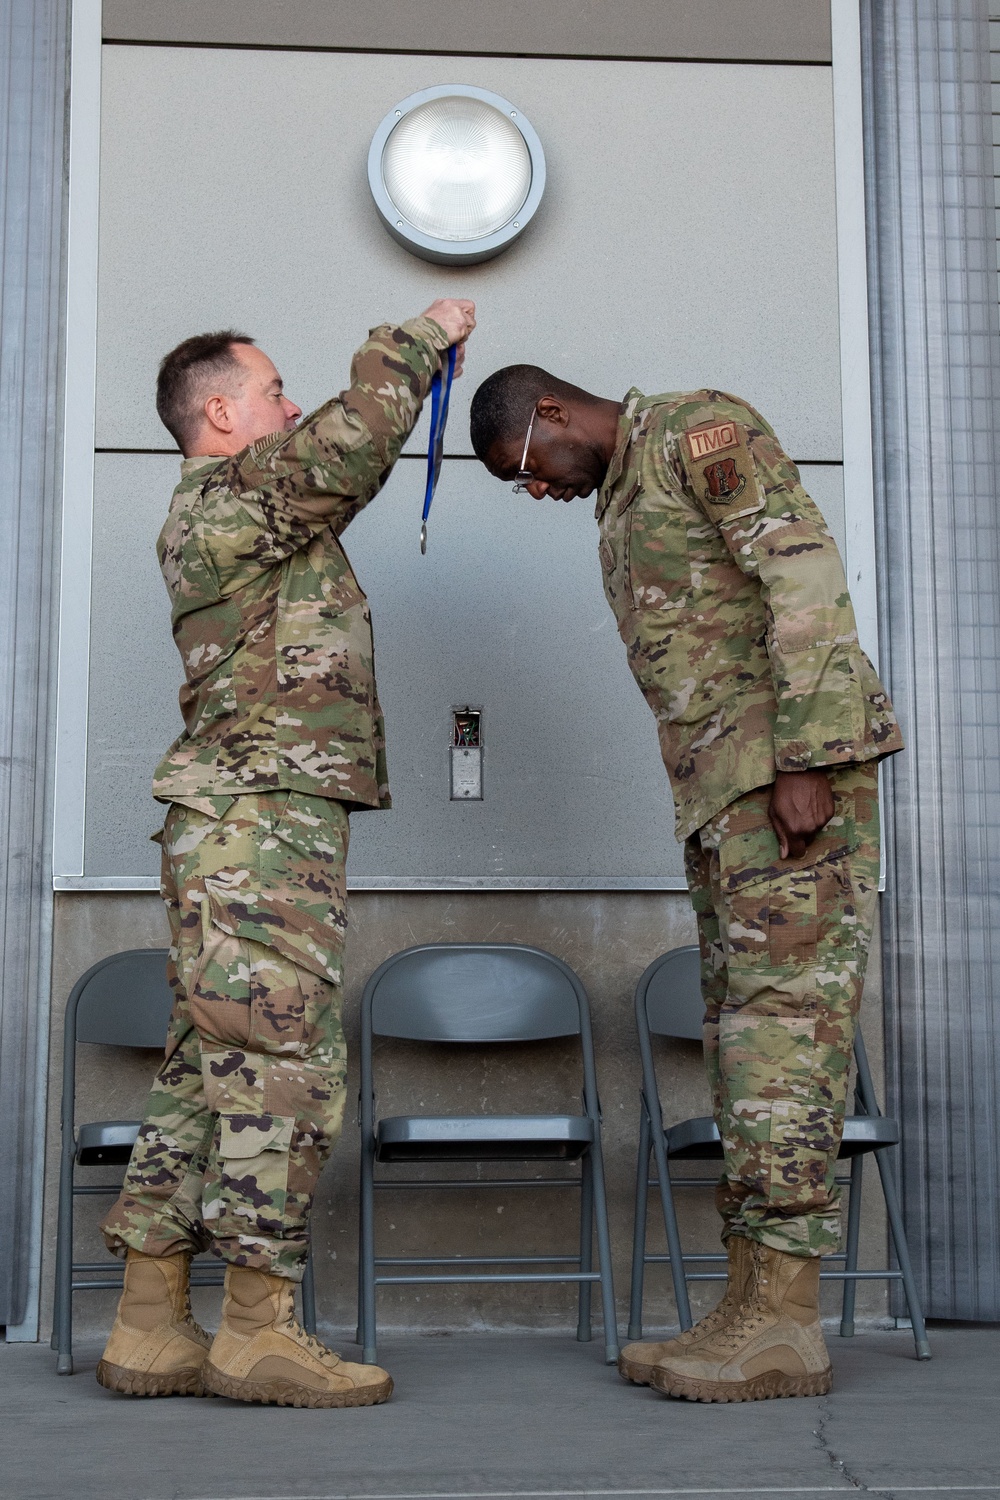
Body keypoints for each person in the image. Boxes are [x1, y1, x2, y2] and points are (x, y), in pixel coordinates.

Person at [469, 368, 903, 1403]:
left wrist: (803, 761)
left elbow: (800, 579)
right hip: (724, 799)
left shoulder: (696, 434)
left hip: (780, 786)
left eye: (526, 469)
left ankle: (786, 1324)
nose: (535, 493)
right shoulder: (624, 493)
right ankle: (750, 1300)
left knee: (786, 1040)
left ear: (558, 414)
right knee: (747, 1044)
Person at [97, 298, 476, 1408]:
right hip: (258, 823)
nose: (292, 403)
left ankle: (150, 1323)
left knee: (205, 1075)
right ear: (222, 413)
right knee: (280, 1073)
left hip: (245, 822)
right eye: (272, 390)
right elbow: (350, 445)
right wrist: (417, 337)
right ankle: (258, 1329)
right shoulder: (228, 501)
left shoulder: (242, 517)